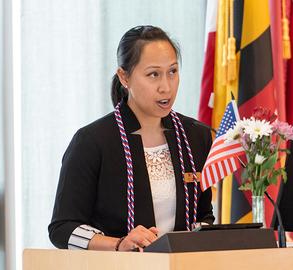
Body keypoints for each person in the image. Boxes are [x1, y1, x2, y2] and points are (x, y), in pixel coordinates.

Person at [48, 25, 215, 252]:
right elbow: (62, 228)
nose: (166, 87)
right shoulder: (91, 141)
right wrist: (118, 244)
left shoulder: (196, 136)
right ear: (124, 77)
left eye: (173, 72)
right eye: (153, 74)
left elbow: (204, 216)